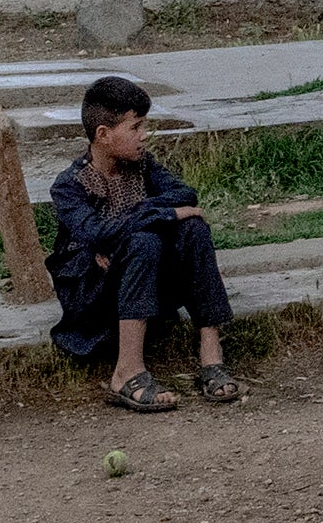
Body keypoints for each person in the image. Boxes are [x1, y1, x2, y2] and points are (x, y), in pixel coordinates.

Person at [49, 73, 235, 411]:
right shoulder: (70, 186)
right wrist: (161, 216)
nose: (144, 136)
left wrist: (143, 219)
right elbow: (96, 233)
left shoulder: (142, 167)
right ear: (103, 134)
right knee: (144, 241)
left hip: (142, 286)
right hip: (94, 299)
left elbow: (185, 195)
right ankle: (127, 372)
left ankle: (211, 357)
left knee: (192, 227)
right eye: (135, 127)